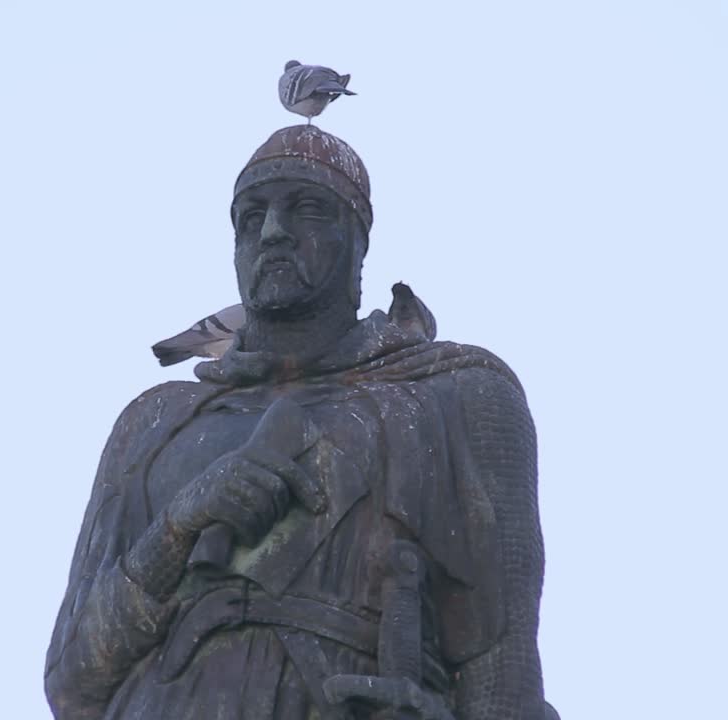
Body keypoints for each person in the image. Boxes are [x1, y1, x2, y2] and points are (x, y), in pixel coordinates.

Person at [45, 125, 556, 720]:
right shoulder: (155, 421)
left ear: (358, 243)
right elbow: (73, 683)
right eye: (250, 217)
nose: (273, 232)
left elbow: (504, 663)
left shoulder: (455, 396)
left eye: (307, 210)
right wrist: (178, 529)